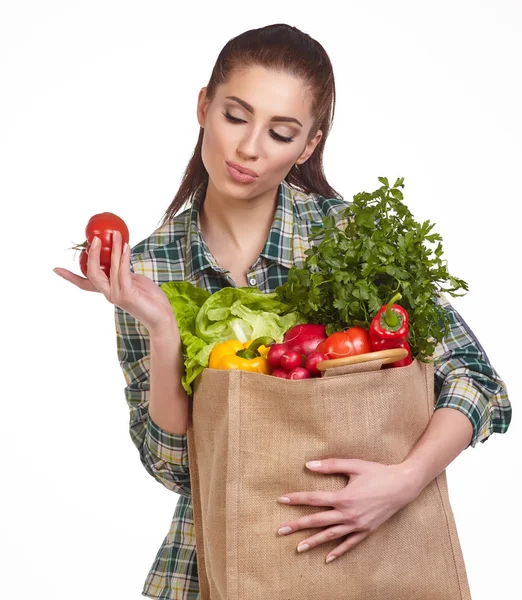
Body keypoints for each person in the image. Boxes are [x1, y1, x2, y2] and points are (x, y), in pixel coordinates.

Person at [53, 23, 511, 600]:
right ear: (204, 106)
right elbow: (173, 467)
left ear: (309, 145)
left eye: (281, 132)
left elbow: (477, 382)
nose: (249, 148)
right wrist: (165, 329)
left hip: (366, 562)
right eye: (236, 116)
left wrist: (402, 482)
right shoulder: (148, 268)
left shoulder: (352, 239)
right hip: (216, 564)